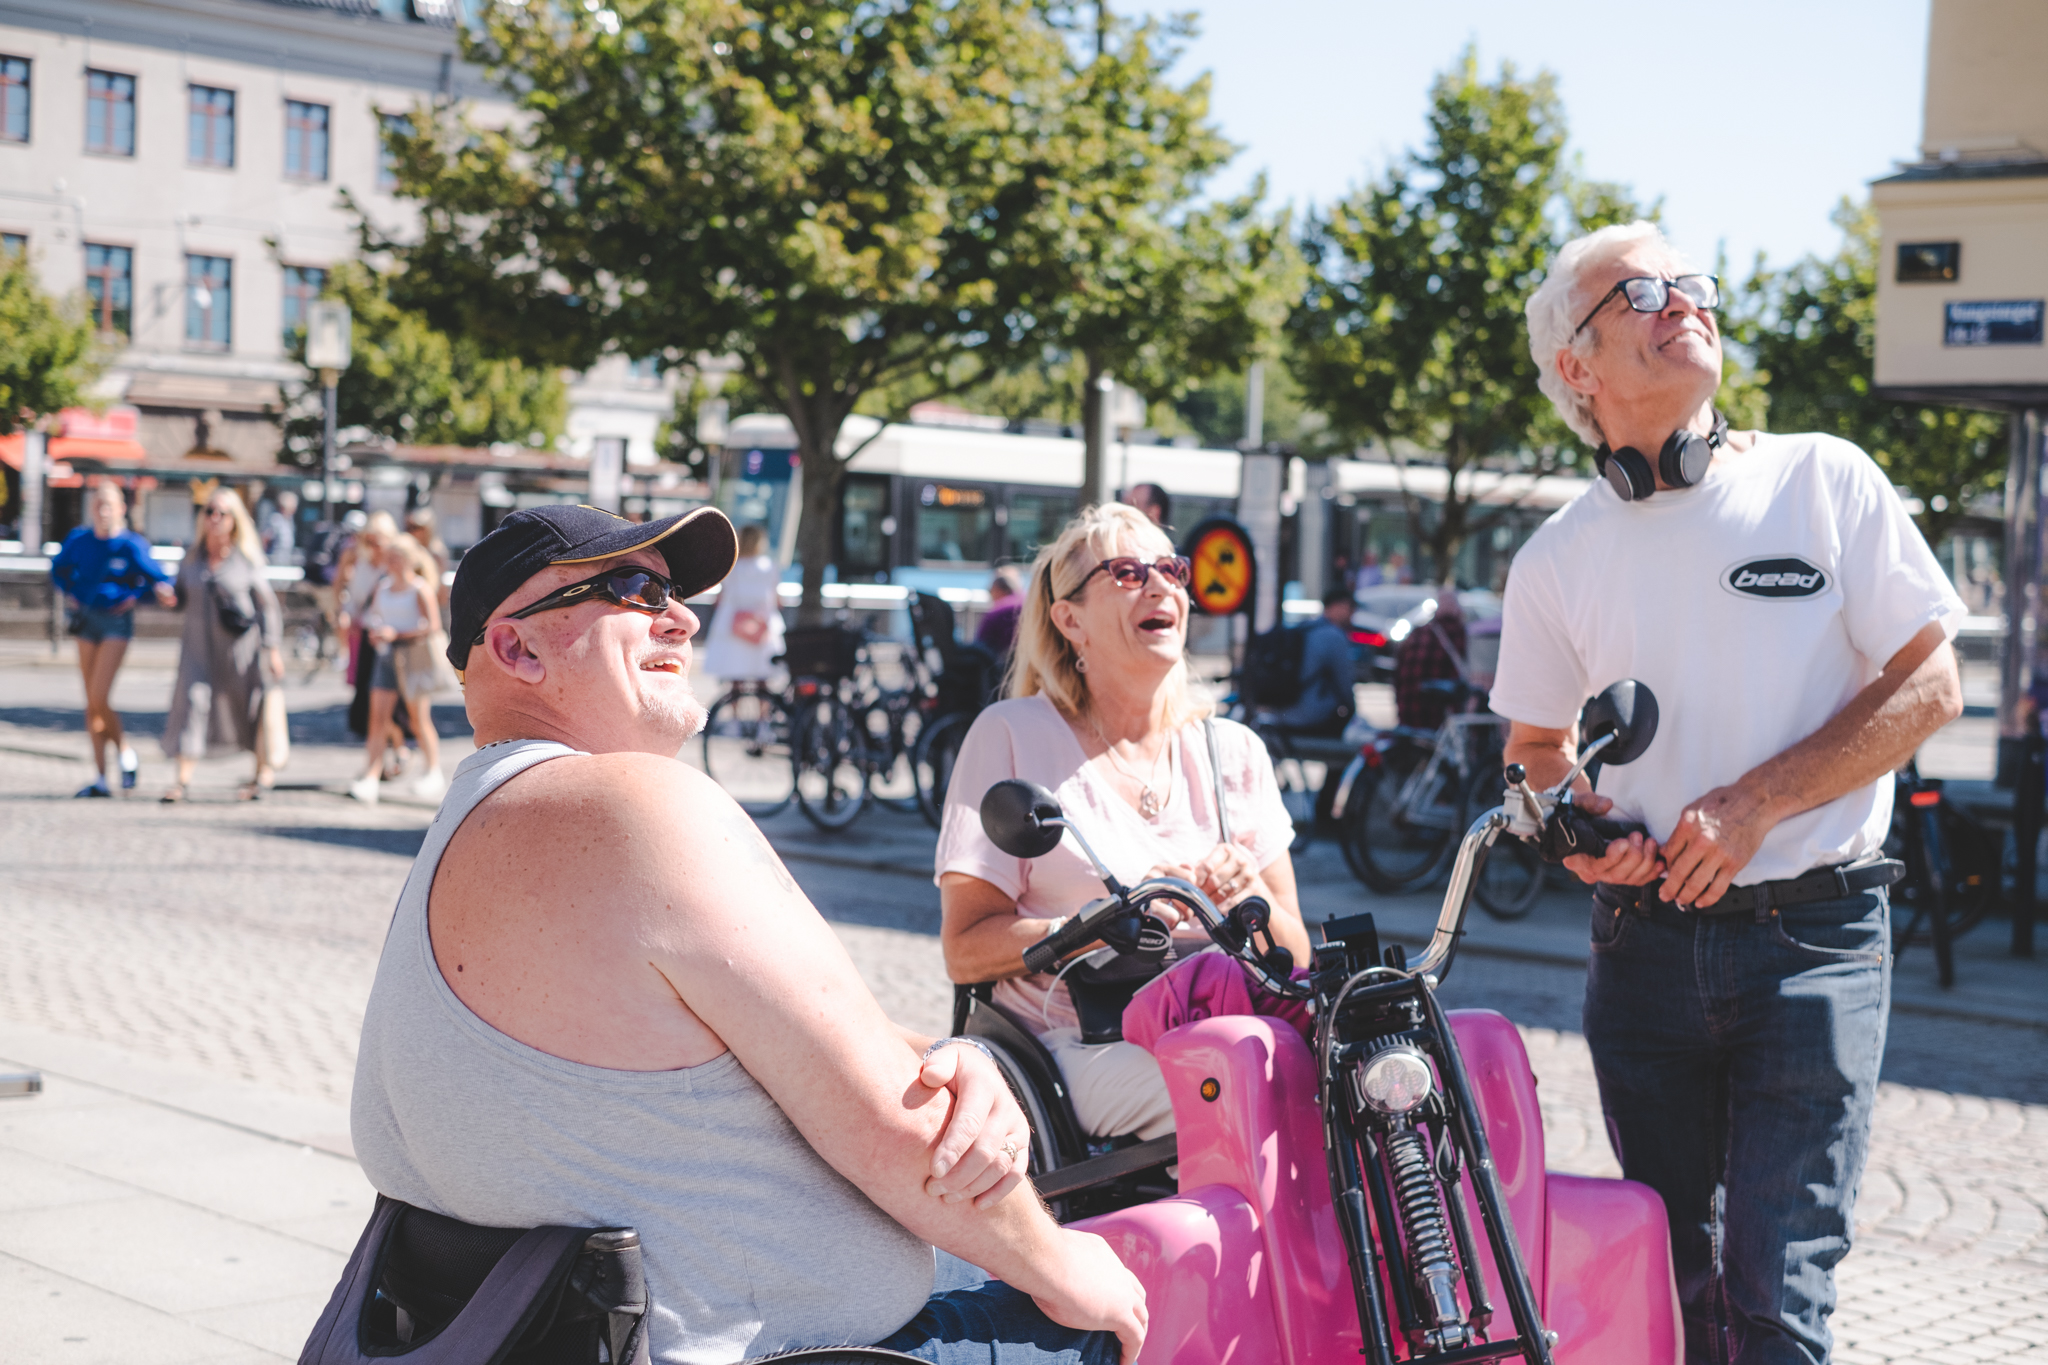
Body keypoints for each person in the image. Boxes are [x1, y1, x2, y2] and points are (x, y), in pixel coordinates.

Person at [350, 504, 1143, 1365]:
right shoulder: (634, 806)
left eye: (675, 590)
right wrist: (1068, 1264)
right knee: (1118, 1307)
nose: (683, 616)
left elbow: (763, 1035)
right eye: (631, 587)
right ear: (517, 649)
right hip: (764, 1348)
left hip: (536, 1328)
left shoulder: (470, 827)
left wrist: (953, 1056)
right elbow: (905, 1137)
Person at [1496, 220, 1965, 1364]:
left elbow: (1931, 685)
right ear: (1575, 365)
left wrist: (1754, 802)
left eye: (1689, 282)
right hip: (1641, 954)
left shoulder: (1821, 476)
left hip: (1815, 940)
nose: (1682, 302)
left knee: (1773, 1295)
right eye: (1640, 293)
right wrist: (1575, 834)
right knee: (1674, 1290)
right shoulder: (1554, 557)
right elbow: (1532, 756)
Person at [935, 503, 1311, 1144]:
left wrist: (1252, 896)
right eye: (1129, 572)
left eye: (1171, 569)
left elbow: (1296, 956)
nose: (1162, 585)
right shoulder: (1011, 735)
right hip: (1076, 1042)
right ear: (1069, 619)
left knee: (1374, 1077)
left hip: (1225, 1022)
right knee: (1256, 1091)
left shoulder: (1233, 750)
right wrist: (1103, 924)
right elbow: (964, 949)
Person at [48, 482, 176, 796]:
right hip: (86, 621)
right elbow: (58, 569)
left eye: (109, 505)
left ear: (121, 509)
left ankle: (125, 753)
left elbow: (159, 579)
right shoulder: (80, 540)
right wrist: (72, 594)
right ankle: (101, 777)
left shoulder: (131, 545)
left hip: (116, 623)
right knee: (90, 704)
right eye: (98, 505)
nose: (103, 512)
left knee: (99, 695)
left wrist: (137, 597)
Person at [162, 488, 285, 802]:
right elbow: (180, 597)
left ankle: (260, 774)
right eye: (208, 511)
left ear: (235, 521)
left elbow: (267, 606)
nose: (214, 518)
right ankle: (182, 781)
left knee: (249, 707)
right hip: (197, 647)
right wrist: (168, 599)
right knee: (191, 703)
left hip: (240, 650)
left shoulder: (246, 559)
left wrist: (271, 647)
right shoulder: (192, 557)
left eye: (222, 513)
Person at [346, 532, 445, 805]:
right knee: (377, 718)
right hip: (386, 657)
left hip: (413, 657)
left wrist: (397, 634)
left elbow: (433, 627)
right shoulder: (383, 587)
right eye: (390, 558)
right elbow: (375, 617)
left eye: (397, 558)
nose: (392, 563)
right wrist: (378, 633)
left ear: (409, 560)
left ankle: (432, 770)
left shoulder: (420, 588)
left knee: (417, 718)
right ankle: (371, 774)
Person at [696, 523, 785, 686]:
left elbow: (720, 598)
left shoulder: (732, 566)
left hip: (732, 622)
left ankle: (735, 708)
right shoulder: (769, 566)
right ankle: (763, 709)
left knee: (734, 672)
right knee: (763, 673)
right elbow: (777, 599)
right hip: (763, 623)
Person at [1267, 587, 1357, 736]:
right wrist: (1353, 712)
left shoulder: (1304, 628)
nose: (1352, 615)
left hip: (1281, 713)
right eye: (1349, 608)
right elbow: (1345, 686)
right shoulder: (1334, 636)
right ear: (1335, 606)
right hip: (1312, 716)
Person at [1392, 587, 1468, 731]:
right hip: (1438, 714)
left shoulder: (1417, 632)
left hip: (1408, 709)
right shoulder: (1460, 634)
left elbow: (1398, 673)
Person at [973, 564, 1025, 659]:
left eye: (990, 590)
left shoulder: (997, 612)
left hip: (1003, 666)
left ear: (997, 589)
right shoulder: (1031, 605)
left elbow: (980, 646)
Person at [260, 490, 299, 565]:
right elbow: (265, 539)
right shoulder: (275, 520)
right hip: (274, 562)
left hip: (285, 562)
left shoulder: (289, 521)